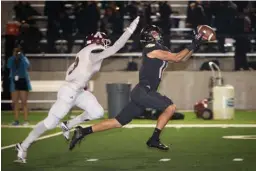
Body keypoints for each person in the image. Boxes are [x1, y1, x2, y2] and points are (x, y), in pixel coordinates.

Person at [14, 17, 140, 164]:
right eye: (104, 42)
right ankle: (23, 145)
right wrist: (130, 30)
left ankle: (68, 124)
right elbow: (116, 47)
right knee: (50, 123)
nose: (106, 45)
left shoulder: (86, 51)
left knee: (97, 112)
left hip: (78, 90)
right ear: (98, 42)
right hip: (69, 91)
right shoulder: (94, 51)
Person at [69, 25, 205, 151]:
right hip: (144, 91)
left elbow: (182, 59)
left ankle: (83, 131)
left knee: (118, 122)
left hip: (141, 92)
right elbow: (176, 58)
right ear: (151, 36)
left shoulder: (158, 50)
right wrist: (194, 42)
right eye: (155, 33)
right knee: (170, 107)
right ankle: (154, 139)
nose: (158, 35)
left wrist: (196, 44)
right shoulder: (152, 48)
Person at [7, 48, 32, 126]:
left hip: (23, 81)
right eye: (15, 51)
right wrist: (14, 57)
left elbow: (28, 66)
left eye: (18, 52)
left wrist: (21, 57)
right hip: (14, 82)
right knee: (14, 102)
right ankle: (16, 120)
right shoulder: (11, 59)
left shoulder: (24, 59)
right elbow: (8, 66)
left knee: (24, 102)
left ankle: (26, 121)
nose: (17, 53)